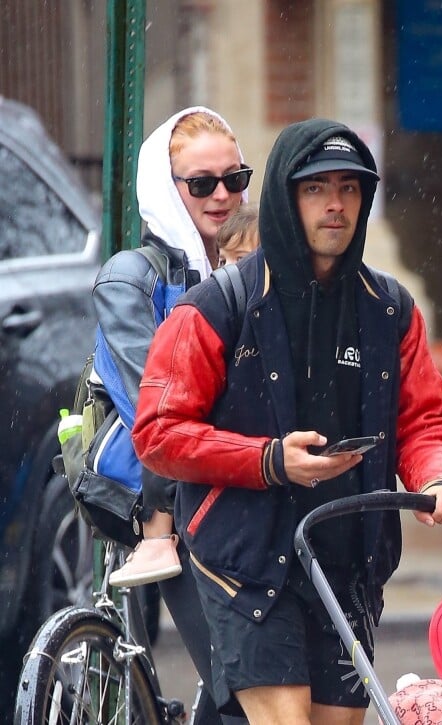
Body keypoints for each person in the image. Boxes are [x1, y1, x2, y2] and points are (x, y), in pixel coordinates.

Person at [132, 119, 442, 725]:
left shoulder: (389, 308)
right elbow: (157, 433)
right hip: (244, 564)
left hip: (347, 560)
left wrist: (438, 478)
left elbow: (424, 420)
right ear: (287, 200)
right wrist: (268, 460)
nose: (336, 205)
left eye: (349, 188)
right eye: (317, 189)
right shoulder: (218, 306)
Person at [92, 105, 251, 724]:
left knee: (264, 677)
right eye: (201, 183)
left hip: (244, 488)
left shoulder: (252, 267)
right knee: (243, 681)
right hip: (163, 498)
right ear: (166, 187)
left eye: (233, 179)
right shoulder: (130, 278)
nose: (221, 196)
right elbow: (159, 409)